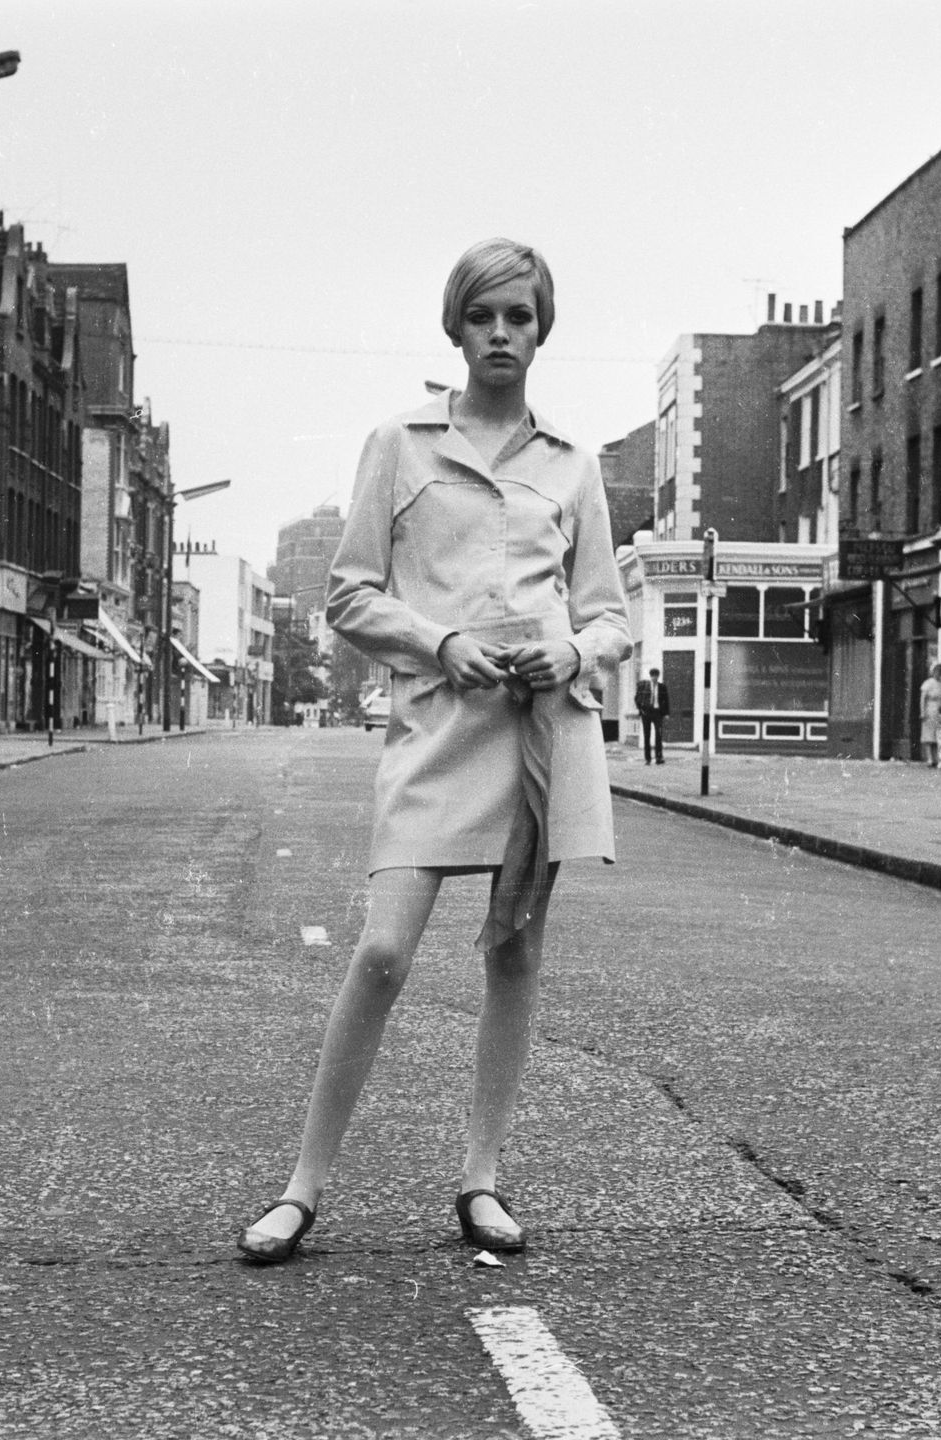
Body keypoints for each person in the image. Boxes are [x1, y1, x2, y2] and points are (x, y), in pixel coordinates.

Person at [237, 238, 631, 1265]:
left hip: (542, 735)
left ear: (543, 331)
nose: (502, 334)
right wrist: (440, 643)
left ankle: (483, 1182)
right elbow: (350, 592)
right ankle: (301, 1189)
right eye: (484, 317)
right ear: (456, 329)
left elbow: (610, 616)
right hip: (437, 726)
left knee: (513, 951)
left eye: (521, 318)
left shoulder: (572, 466)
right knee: (380, 951)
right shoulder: (399, 444)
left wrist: (573, 645)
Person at [634, 666, 669, 764]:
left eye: (656, 676)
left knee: (659, 735)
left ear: (658, 676)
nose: (654, 678)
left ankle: (659, 757)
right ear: (650, 676)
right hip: (647, 713)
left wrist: (666, 713)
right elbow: (637, 698)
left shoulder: (662, 687)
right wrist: (640, 709)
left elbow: (666, 700)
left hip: (657, 713)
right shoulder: (644, 686)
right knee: (647, 736)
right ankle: (648, 759)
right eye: (653, 676)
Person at [918, 662, 941, 766]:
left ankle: (938, 758)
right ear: (933, 672)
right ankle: (930, 758)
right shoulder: (928, 683)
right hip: (930, 710)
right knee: (929, 735)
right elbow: (923, 699)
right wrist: (923, 712)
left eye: (940, 671)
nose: (938, 673)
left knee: (939, 735)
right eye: (936, 671)